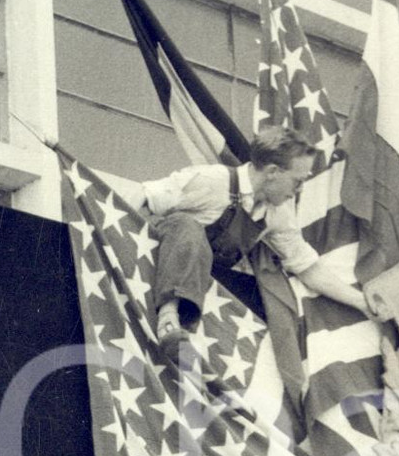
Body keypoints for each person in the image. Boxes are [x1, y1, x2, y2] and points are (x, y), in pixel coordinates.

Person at [124, 126, 370, 351]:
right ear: (273, 172)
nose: (300, 190)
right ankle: (169, 319)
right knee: (188, 226)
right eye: (298, 181)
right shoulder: (212, 180)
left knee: (267, 299)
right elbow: (143, 195)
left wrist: (361, 302)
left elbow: (306, 266)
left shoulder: (277, 212)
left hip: (203, 279)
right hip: (158, 266)